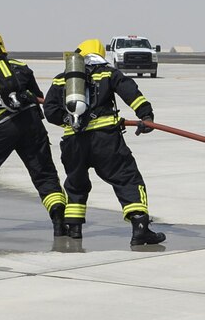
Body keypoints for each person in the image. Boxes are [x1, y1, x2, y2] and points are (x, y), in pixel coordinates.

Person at [44, 39, 165, 246]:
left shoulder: (61, 79)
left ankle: (74, 229)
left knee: (75, 184)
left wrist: (69, 119)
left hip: (73, 143)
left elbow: (50, 111)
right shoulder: (108, 73)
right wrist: (146, 116)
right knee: (127, 179)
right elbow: (132, 93)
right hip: (106, 141)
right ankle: (140, 228)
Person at [0, 31, 67, 237]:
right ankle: (58, 220)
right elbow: (38, 97)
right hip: (32, 124)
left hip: (1, 128)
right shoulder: (22, 67)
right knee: (44, 173)